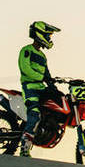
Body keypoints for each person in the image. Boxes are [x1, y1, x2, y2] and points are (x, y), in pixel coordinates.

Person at [18, 21, 60, 156]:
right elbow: (25, 69)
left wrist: (54, 87)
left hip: (41, 88)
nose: (49, 39)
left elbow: (47, 75)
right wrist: (40, 76)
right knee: (35, 114)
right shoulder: (26, 50)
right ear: (39, 34)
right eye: (47, 36)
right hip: (30, 88)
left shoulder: (42, 56)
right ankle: (24, 147)